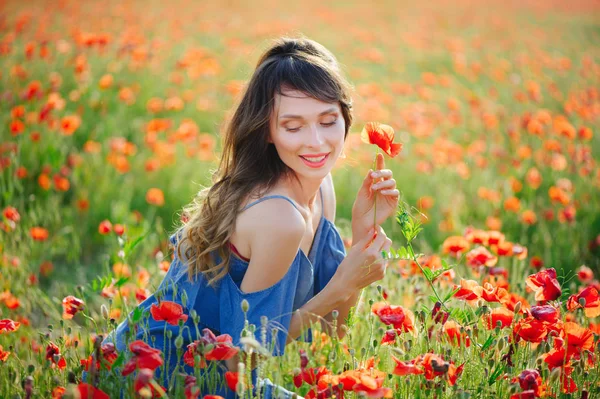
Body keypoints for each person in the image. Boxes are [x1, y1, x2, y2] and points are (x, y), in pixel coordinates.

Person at [90, 36, 400, 398]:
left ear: (346, 118)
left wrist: (363, 236)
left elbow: (334, 332)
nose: (316, 142)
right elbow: (238, 363)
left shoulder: (321, 188)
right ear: (267, 131)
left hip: (212, 377)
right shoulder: (278, 216)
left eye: (328, 120)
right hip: (150, 378)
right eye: (293, 126)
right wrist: (343, 285)